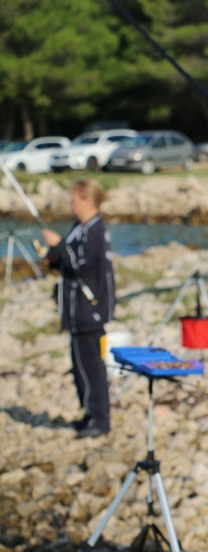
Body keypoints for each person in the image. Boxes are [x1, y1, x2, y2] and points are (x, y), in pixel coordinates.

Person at [42, 179, 116, 439]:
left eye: (74, 199)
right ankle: (89, 413)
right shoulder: (79, 228)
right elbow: (69, 260)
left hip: (89, 312)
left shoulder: (95, 231)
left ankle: (100, 418)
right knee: (79, 366)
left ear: (87, 200)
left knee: (92, 366)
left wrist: (59, 244)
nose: (71, 204)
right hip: (76, 312)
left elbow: (82, 264)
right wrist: (53, 257)